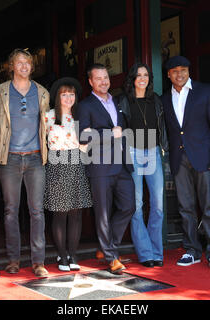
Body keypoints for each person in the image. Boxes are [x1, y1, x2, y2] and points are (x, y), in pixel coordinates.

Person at [161, 55, 210, 272]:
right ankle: (192, 250)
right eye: (174, 71)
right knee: (185, 207)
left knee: (209, 206)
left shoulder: (205, 91)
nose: (179, 74)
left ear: (189, 71)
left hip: (205, 158)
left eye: (183, 69)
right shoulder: (164, 99)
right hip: (179, 160)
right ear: (168, 74)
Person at [0, 48, 49, 277]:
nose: (24, 66)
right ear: (11, 66)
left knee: (37, 211)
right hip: (10, 158)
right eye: (19, 62)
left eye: (28, 62)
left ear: (32, 67)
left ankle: (38, 262)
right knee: (10, 210)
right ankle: (13, 259)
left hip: (35, 157)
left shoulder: (42, 93)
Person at [75, 63, 135, 275]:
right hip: (100, 166)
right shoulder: (85, 106)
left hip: (122, 165)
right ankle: (111, 257)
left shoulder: (116, 102)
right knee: (102, 213)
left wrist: (107, 132)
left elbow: (122, 130)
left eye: (106, 77)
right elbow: (83, 136)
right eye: (98, 78)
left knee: (129, 206)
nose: (103, 81)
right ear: (90, 82)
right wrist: (110, 134)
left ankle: (107, 247)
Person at [116, 63, 169, 268]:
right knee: (136, 206)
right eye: (138, 75)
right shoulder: (124, 101)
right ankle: (146, 253)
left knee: (157, 205)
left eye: (146, 75)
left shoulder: (156, 100)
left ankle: (157, 252)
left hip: (154, 151)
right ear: (132, 78)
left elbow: (162, 126)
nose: (142, 78)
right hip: (134, 152)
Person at [44, 77, 93, 272]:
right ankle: (62, 255)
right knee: (60, 213)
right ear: (58, 96)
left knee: (76, 214)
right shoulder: (48, 116)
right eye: (64, 94)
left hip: (76, 162)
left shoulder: (80, 116)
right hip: (56, 163)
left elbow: (87, 141)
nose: (68, 98)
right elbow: (40, 141)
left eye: (71, 94)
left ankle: (73, 254)